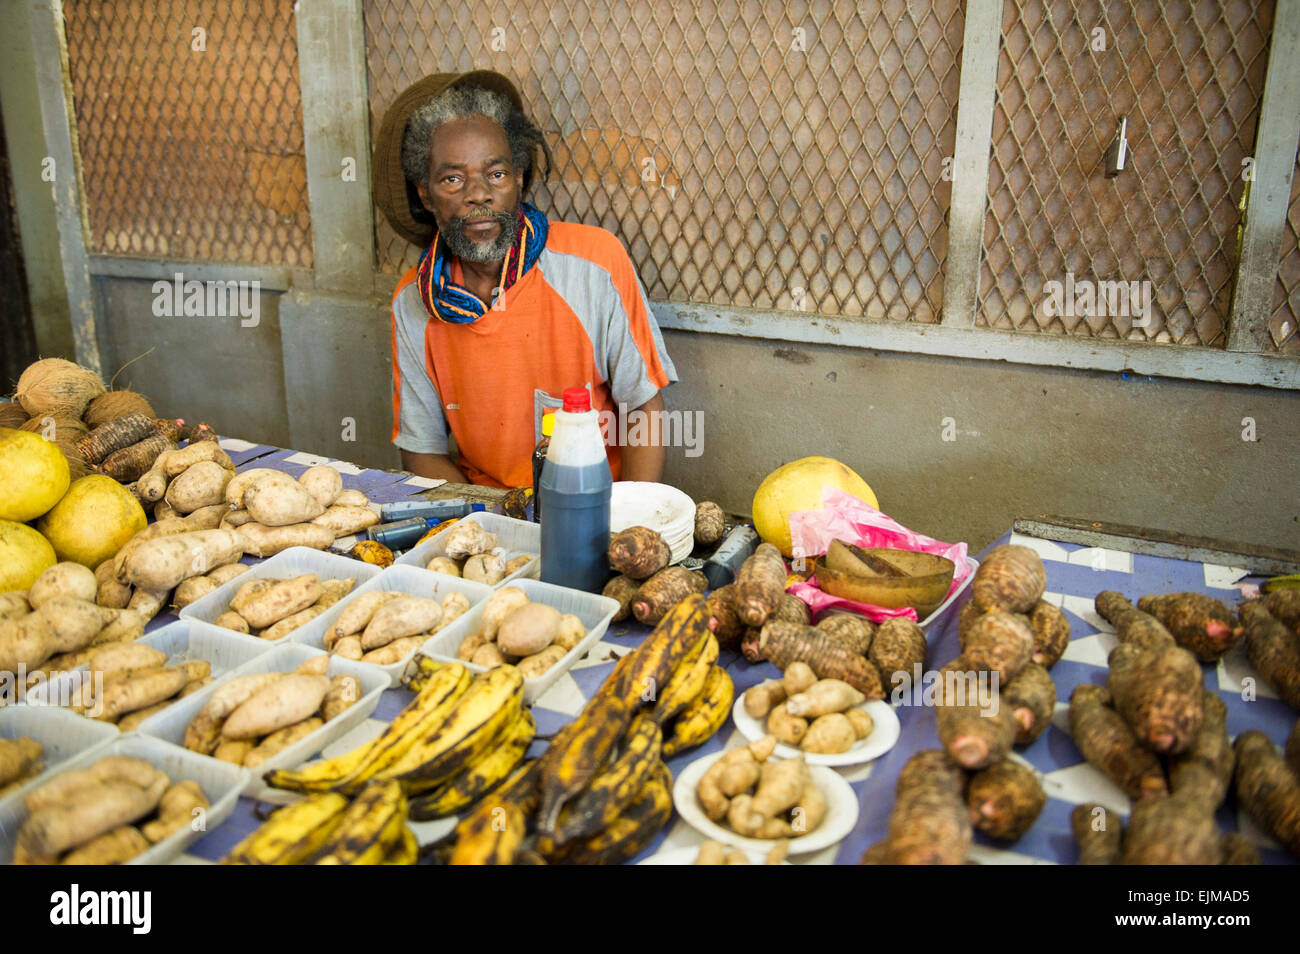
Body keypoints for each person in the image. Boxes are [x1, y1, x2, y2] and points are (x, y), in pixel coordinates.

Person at [372, 70, 677, 488]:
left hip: (594, 508)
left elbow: (643, 409)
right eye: (452, 179)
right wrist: (494, 522)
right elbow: (421, 450)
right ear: (425, 194)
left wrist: (629, 521)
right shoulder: (414, 300)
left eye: (495, 174)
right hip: (486, 513)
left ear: (518, 177)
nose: (478, 194)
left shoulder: (593, 264)